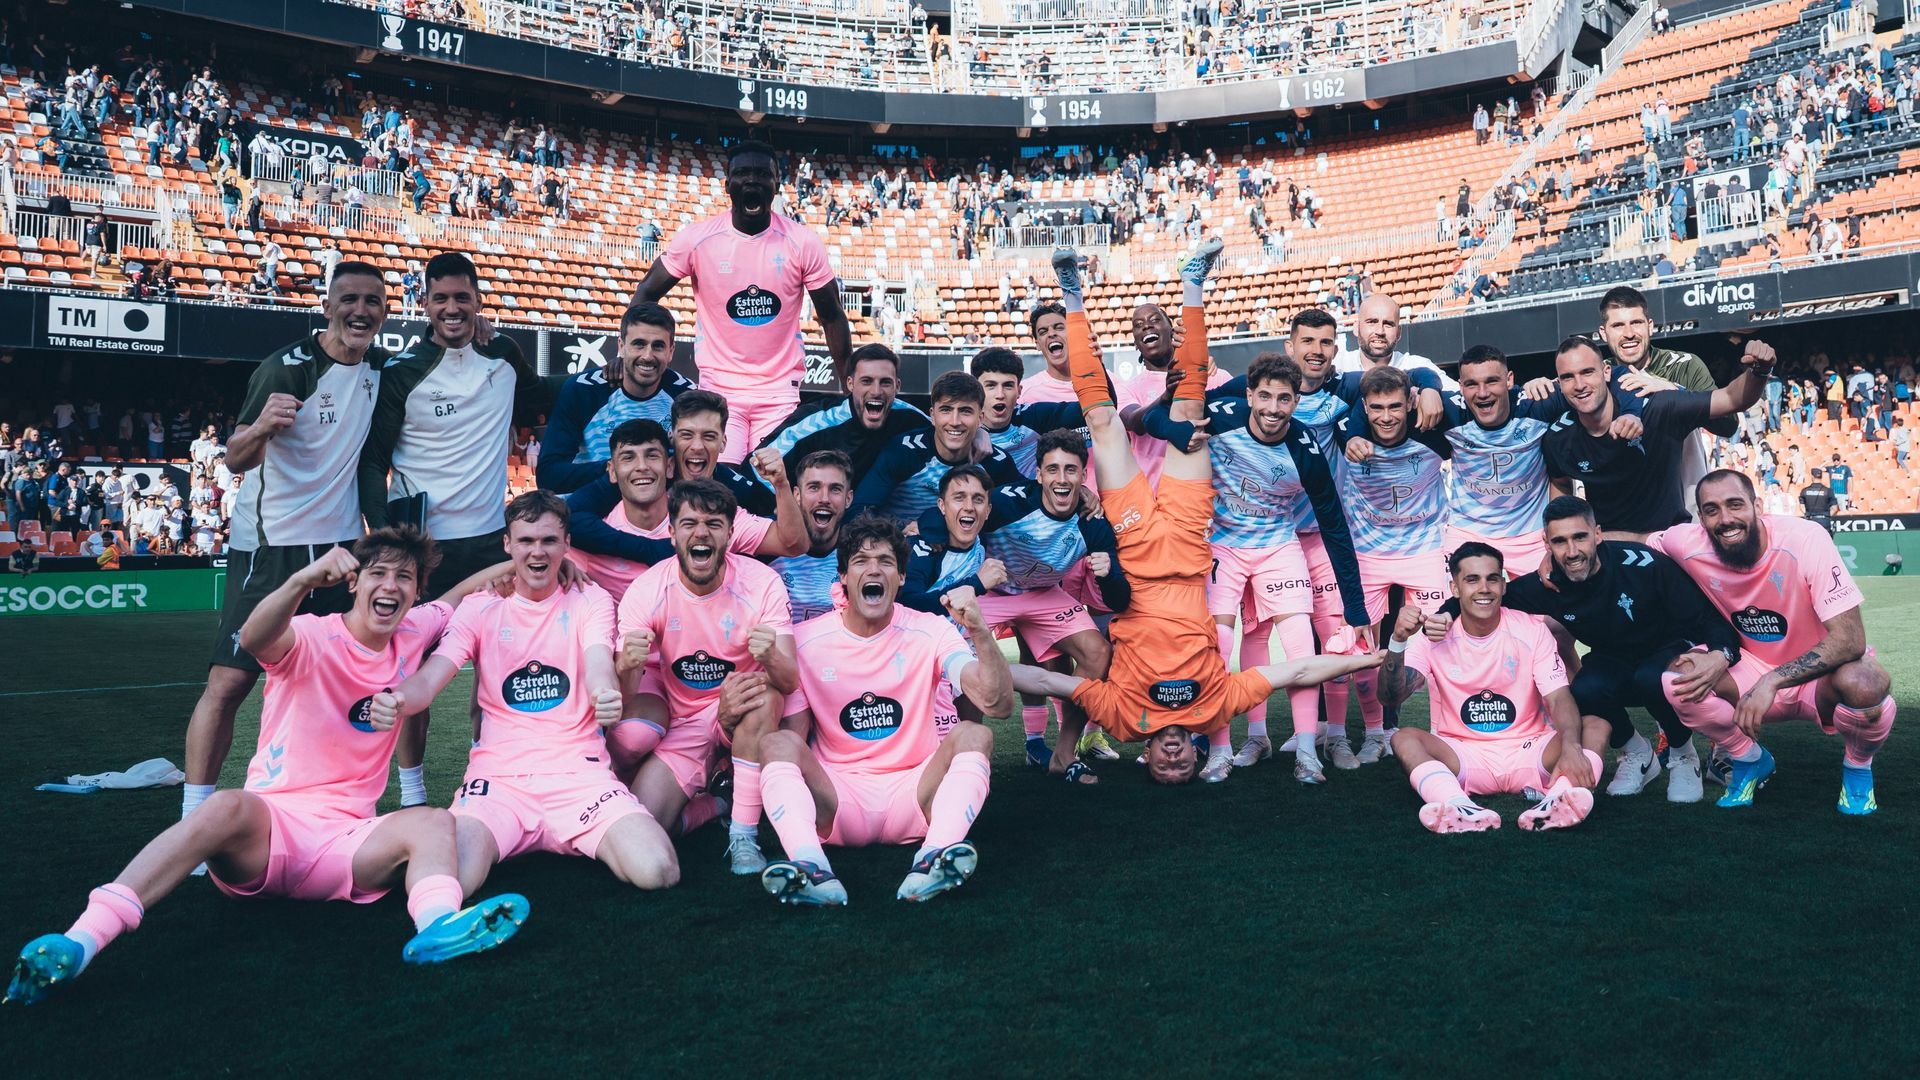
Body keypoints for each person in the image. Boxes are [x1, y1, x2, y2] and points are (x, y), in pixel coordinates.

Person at [5, 534, 529, 1006]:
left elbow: (460, 594)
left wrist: (539, 558)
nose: (391, 586)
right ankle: (80, 939)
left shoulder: (416, 627)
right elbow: (255, 638)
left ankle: (438, 928)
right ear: (353, 583)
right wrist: (301, 579)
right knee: (226, 805)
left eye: (404, 577)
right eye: (378, 573)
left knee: (434, 820)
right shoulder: (310, 634)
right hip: (269, 832)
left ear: (416, 591)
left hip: (346, 843)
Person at [1005, 242, 1382, 784]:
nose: (1176, 758)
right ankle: (1193, 283)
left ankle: (1070, 294)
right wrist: (1358, 659)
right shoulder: (1209, 710)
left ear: (1151, 760)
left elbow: (1047, 682)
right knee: (1190, 406)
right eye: (1182, 764)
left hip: (1131, 550)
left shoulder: (1125, 721)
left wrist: (962, 663)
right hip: (1187, 542)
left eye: (1167, 765)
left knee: (1103, 421)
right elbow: (1293, 668)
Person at [369, 492, 680, 891]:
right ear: (507, 545)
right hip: (499, 780)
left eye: (549, 541)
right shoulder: (480, 607)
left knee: (658, 870)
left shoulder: (592, 599)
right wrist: (397, 700)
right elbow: (430, 679)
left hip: (579, 776)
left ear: (567, 545)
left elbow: (599, 662)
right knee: (450, 878)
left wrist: (605, 693)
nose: (538, 552)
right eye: (526, 541)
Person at [180, 262, 391, 833]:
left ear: (385, 312)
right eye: (349, 299)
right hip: (273, 546)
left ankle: (327, 804)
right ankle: (193, 818)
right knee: (230, 681)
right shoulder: (287, 368)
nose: (360, 311)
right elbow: (236, 458)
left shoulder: (378, 365)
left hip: (340, 545)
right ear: (327, 307)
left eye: (373, 301)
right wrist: (260, 427)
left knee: (338, 679)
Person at [740, 514, 1012, 906]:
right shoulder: (805, 640)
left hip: (916, 793)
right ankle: (811, 867)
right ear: (844, 578)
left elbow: (997, 704)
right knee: (779, 743)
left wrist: (980, 631)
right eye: (861, 561)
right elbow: (794, 737)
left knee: (976, 733)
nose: (874, 569)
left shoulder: (932, 629)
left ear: (901, 577)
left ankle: (933, 856)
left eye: (885, 561)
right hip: (838, 799)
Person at [1433, 496, 1742, 802]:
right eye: (1560, 541)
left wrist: (1722, 654)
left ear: (1597, 534)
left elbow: (1704, 616)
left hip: (1665, 651)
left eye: (1580, 537)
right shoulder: (1548, 583)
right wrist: (1446, 612)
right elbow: (1492, 594)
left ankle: (1682, 753)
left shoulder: (1642, 564)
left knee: (1652, 677)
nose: (1571, 551)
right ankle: (1637, 752)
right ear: (1546, 543)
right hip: (1613, 660)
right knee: (1584, 688)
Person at [1648, 471, 1895, 814]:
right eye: (1712, 510)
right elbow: (1636, 541)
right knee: (1678, 679)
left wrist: (1773, 680)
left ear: (1757, 506)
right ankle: (1748, 758)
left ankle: (1858, 766)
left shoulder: (1805, 538)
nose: (1726, 518)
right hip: (1750, 667)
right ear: (1701, 519)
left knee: (1867, 683)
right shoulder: (1686, 542)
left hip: (1819, 678)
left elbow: (1850, 640)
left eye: (1735, 504)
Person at [1191, 353, 1370, 781]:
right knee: (1217, 644)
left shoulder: (1305, 450)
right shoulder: (1222, 414)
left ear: (1295, 403)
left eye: (1284, 399)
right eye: (1265, 396)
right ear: (1249, 395)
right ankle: (1226, 747)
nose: (1273, 408)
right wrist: (1176, 427)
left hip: (1277, 545)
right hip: (1222, 544)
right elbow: (1159, 415)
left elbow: (1335, 527)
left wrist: (1356, 607)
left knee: (1298, 647)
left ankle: (1307, 749)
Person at [912, 435, 1131, 780]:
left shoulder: (1093, 525)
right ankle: (965, 758)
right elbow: (958, 514)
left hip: (1044, 593)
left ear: (1082, 476)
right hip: (992, 590)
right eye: (1053, 469)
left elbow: (1120, 600)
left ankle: (1063, 755)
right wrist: (923, 529)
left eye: (1071, 470)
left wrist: (1108, 576)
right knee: (964, 660)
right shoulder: (1010, 503)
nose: (1062, 478)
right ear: (1039, 475)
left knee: (1097, 653)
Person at [615, 479, 797, 877]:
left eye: (714, 524)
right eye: (690, 523)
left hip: (744, 712)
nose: (701, 533)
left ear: (730, 533)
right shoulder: (647, 590)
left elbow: (789, 680)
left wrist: (769, 657)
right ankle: (719, 802)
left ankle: (744, 836)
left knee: (764, 696)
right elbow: (623, 696)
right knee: (646, 825)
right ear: (671, 531)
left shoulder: (760, 582)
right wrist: (626, 668)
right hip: (685, 722)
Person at [631, 141, 851, 455]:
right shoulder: (697, 238)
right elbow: (647, 292)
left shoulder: (803, 242)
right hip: (719, 389)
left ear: (777, 184)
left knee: (769, 485)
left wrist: (848, 383)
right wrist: (624, 353)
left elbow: (831, 316)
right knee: (720, 485)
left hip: (779, 393)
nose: (752, 180)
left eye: (763, 174)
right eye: (743, 173)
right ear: (728, 184)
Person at [1378, 543, 1608, 833]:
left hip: (1530, 749)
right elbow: (1390, 697)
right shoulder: (1433, 636)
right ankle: (1457, 805)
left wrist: (1572, 747)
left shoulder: (1531, 629)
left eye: (1492, 578)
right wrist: (1398, 639)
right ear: (1455, 588)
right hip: (1463, 754)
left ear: (1503, 584)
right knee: (1405, 738)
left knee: (1596, 725)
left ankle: (1556, 800)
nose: (1484, 588)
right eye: (1472, 580)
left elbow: (1559, 698)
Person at [1542, 335, 1773, 538]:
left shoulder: (1659, 408)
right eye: (1568, 377)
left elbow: (1733, 399)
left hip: (1670, 548)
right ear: (1559, 383)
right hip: (1612, 553)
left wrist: (1759, 371)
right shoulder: (1558, 439)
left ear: (1606, 371)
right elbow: (1561, 482)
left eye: (1587, 372)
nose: (1579, 384)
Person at [536, 302, 697, 493]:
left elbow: (697, 465)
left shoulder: (686, 396)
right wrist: (620, 468)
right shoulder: (583, 390)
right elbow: (549, 475)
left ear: (671, 351)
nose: (648, 355)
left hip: (659, 512)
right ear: (621, 346)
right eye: (639, 344)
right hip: (593, 506)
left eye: (658, 346)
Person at [851, 371, 1022, 526]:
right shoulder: (905, 451)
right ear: (932, 415)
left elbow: (1031, 505)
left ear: (980, 418)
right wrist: (901, 528)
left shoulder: (996, 462)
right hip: (900, 550)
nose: (955, 421)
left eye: (966, 411)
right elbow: (858, 512)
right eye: (946, 410)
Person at [759, 344, 928, 485]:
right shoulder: (816, 423)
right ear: (850, 383)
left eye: (885, 382)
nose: (876, 391)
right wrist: (787, 508)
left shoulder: (914, 420)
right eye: (866, 381)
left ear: (897, 386)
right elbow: (755, 468)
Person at [769, 450, 856, 622]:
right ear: (797, 495)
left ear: (848, 499)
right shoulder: (766, 540)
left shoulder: (859, 551)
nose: (824, 498)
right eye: (814, 487)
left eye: (835, 489)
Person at [1801, 467, 1837, 532]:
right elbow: (1834, 508)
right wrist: (1827, 516)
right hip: (1824, 521)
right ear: (1821, 477)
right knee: (1825, 541)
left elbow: (1802, 506)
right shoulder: (1828, 491)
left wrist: (1808, 514)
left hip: (1811, 520)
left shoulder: (1805, 491)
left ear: (1812, 476)